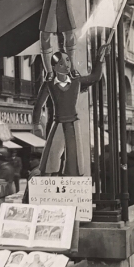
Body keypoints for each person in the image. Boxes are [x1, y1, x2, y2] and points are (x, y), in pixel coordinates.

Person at [34, 46, 109, 176]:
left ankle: (72, 181)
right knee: (51, 155)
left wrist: (100, 58)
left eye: (68, 60)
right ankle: (48, 181)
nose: (67, 65)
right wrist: (36, 124)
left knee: (74, 156)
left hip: (73, 122)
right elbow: (38, 105)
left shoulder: (76, 81)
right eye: (62, 63)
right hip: (58, 122)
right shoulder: (49, 84)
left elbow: (95, 77)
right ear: (55, 67)